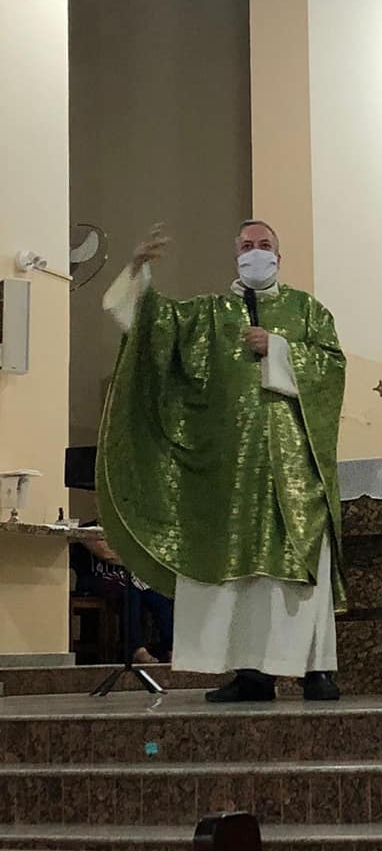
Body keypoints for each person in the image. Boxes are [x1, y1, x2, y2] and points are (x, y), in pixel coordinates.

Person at [97, 220, 346, 702]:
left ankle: (316, 670)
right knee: (244, 577)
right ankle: (251, 673)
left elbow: (332, 369)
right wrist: (139, 272)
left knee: (299, 574)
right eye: (248, 246)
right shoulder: (209, 315)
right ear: (236, 255)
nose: (257, 252)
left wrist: (278, 348)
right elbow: (154, 327)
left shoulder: (308, 311)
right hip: (229, 475)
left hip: (296, 471)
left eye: (265, 245)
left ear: (280, 254)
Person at [70, 521, 174, 665]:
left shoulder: (125, 528)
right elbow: (107, 554)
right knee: (130, 590)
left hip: (127, 577)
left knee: (161, 595)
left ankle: (170, 647)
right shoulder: (87, 530)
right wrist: (133, 559)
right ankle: (136, 649)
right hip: (96, 578)